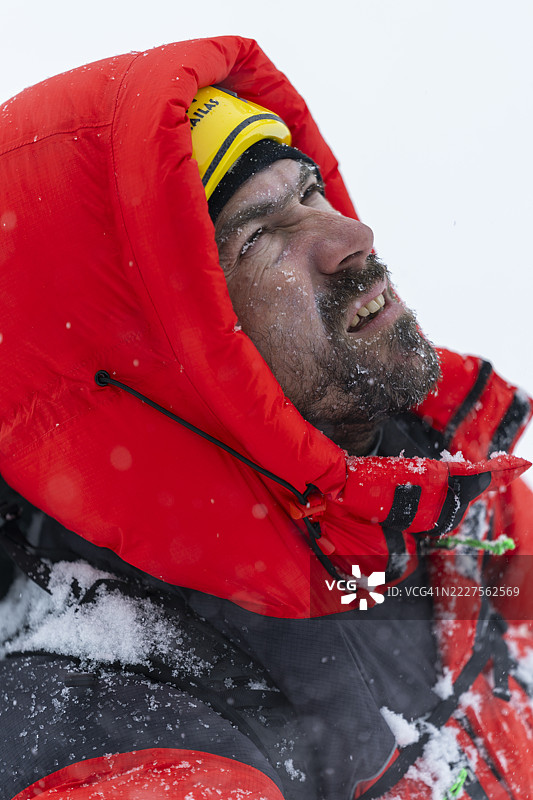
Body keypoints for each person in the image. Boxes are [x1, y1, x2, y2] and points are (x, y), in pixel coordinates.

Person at [1, 36, 532, 800]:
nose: (354, 239)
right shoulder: (117, 725)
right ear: (165, 355)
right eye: (260, 237)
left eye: (311, 192)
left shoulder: (423, 483)